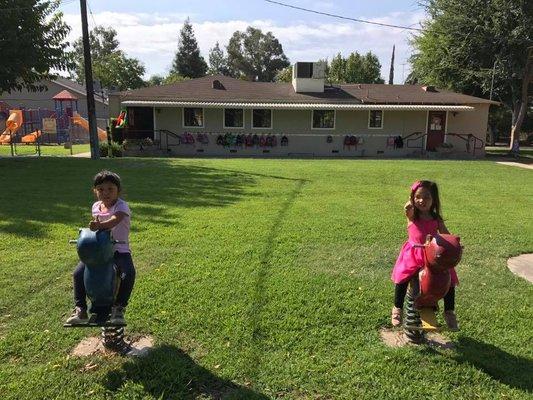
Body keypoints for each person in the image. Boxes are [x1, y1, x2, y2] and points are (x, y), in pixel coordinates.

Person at [65, 170, 135, 325]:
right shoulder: (96, 206)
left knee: (127, 273)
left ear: (118, 191)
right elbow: (95, 229)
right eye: (101, 189)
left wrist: (99, 225)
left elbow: (115, 220)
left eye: (111, 189)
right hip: (99, 251)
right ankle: (81, 309)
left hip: (119, 250)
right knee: (78, 274)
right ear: (95, 191)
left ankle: (119, 307)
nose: (106, 193)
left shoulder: (121, 206)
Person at [391, 180, 459, 330]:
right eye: (418, 197)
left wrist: (454, 245)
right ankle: (397, 308)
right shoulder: (412, 216)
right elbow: (407, 209)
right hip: (413, 254)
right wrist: (409, 203)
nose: (422, 201)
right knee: (403, 278)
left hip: (432, 255)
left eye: (427, 197)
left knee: (450, 279)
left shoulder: (436, 219)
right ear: (413, 198)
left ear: (434, 200)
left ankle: (449, 312)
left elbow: (447, 235)